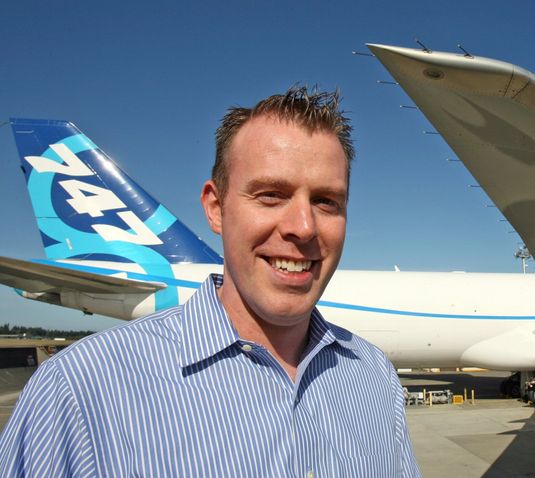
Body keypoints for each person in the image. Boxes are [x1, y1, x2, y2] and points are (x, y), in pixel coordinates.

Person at [0, 87, 421, 477]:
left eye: (327, 201)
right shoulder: (78, 390)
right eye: (271, 195)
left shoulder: (374, 378)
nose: (303, 227)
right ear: (216, 208)